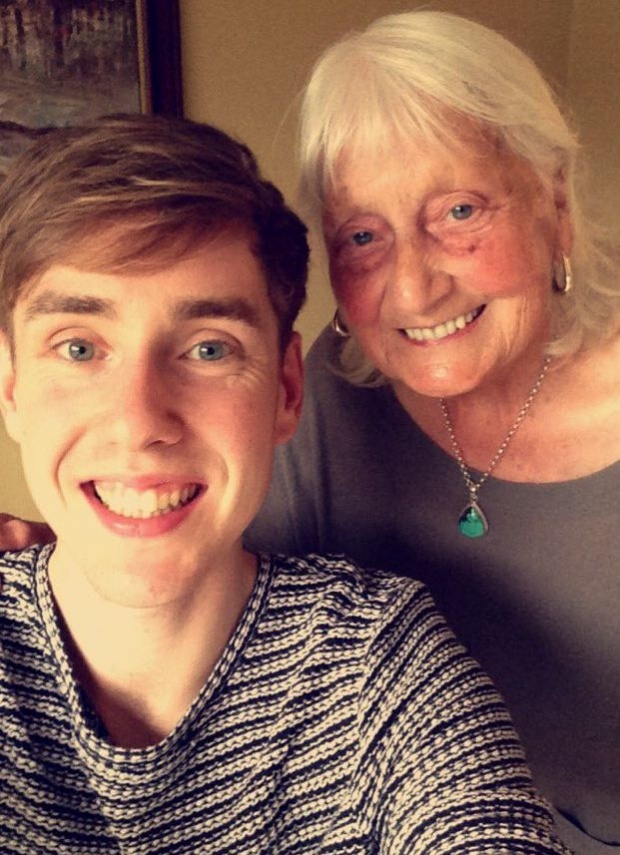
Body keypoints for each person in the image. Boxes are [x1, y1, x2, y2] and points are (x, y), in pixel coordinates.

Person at [0, 114, 571, 853]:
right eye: (79, 348)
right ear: (12, 387)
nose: (138, 422)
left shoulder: (376, 664)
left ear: (286, 389)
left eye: (209, 349)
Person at [245, 11, 620, 855]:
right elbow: (227, 610)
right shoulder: (328, 397)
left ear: (556, 204)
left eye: (458, 210)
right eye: (363, 236)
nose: (414, 288)